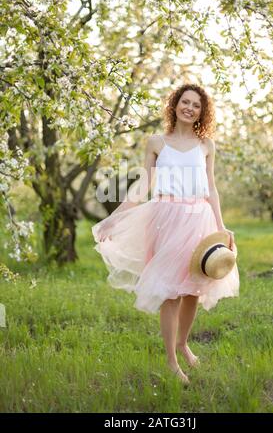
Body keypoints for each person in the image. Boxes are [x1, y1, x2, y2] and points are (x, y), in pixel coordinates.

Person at [92, 83, 239, 385]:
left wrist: (221, 226)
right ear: (175, 105)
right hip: (165, 217)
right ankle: (171, 360)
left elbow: (211, 188)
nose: (189, 108)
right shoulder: (157, 141)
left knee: (192, 290)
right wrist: (114, 218)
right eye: (185, 102)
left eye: (196, 105)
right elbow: (142, 185)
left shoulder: (206, 145)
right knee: (169, 291)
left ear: (202, 112)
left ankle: (183, 343)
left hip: (199, 219)